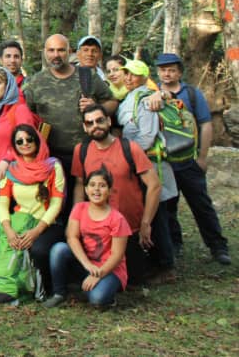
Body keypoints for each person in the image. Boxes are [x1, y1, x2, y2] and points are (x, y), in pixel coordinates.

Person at [143, 52, 230, 265]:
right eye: (163, 70)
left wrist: (202, 157)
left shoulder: (191, 94)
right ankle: (175, 244)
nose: (167, 74)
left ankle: (218, 246)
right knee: (168, 207)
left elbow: (205, 124)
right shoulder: (150, 93)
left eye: (172, 70)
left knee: (201, 204)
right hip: (165, 162)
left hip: (188, 161)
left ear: (179, 72)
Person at [70, 104, 161, 285]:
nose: (95, 126)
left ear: (109, 121)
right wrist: (77, 219)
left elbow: (154, 185)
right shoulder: (81, 150)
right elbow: (80, 185)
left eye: (99, 120)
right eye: (90, 123)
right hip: (97, 233)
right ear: (84, 127)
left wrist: (146, 223)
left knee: (133, 280)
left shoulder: (130, 148)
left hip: (129, 229)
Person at [23, 34, 116, 184]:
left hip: (87, 153)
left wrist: (96, 107)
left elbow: (112, 102)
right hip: (51, 157)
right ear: (45, 52)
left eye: (61, 50)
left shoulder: (87, 76)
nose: (56, 55)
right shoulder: (36, 82)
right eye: (51, 50)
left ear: (70, 52)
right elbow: (28, 116)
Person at [115, 58, 177, 276]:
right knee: (151, 212)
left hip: (150, 164)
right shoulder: (128, 97)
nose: (128, 78)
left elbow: (148, 136)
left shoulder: (146, 99)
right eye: (126, 73)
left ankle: (166, 264)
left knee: (157, 214)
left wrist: (127, 156)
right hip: (139, 163)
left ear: (143, 77)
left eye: (133, 74)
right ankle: (155, 259)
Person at [0, 124, 65, 301]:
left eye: (29, 139)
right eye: (19, 141)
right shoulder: (11, 170)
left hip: (47, 224)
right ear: (14, 146)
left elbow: (56, 204)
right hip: (19, 221)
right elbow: (2, 203)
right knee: (8, 244)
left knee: (38, 249)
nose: (25, 143)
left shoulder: (53, 166)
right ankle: (9, 285)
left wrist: (36, 232)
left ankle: (44, 287)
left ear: (37, 140)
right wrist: (9, 230)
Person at [43, 168, 131, 308]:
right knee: (59, 249)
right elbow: (72, 237)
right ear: (86, 189)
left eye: (102, 186)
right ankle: (59, 293)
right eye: (92, 185)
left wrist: (98, 274)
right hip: (86, 264)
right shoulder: (79, 208)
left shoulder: (117, 219)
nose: (96, 190)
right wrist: (87, 265)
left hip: (109, 269)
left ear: (109, 191)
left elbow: (117, 255)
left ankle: (104, 293)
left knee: (97, 299)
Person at [0, 66, 38, 181]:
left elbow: (29, 142)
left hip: (11, 177)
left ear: (8, 85)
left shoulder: (19, 110)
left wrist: (7, 159)